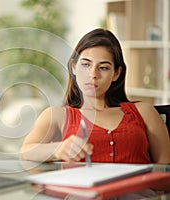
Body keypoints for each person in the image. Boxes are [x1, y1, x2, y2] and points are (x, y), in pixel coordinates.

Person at [19, 28, 170, 164]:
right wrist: (57, 149)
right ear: (74, 67)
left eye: (103, 67)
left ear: (116, 73)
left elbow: (165, 167)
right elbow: (25, 151)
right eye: (86, 65)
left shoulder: (144, 112)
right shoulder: (57, 115)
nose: (93, 74)